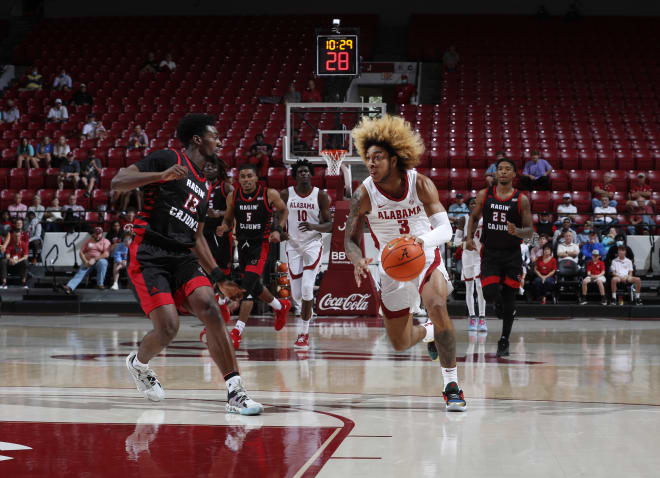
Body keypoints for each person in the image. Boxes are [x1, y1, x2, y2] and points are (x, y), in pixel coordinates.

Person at [110, 113, 261, 415]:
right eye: (214, 136)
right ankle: (138, 364)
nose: (219, 142)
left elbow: (197, 237)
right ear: (197, 139)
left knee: (211, 310)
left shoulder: (204, 184)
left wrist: (218, 277)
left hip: (183, 256)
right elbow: (119, 181)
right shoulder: (168, 157)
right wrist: (159, 176)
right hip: (150, 253)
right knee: (168, 328)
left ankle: (235, 391)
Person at [347, 115, 466, 411]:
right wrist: (356, 258)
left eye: (378, 157)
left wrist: (420, 242)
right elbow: (348, 238)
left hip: (424, 256)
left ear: (396, 159)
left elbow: (446, 230)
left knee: (438, 305)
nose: (371, 163)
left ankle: (451, 385)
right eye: (369, 158)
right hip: (391, 268)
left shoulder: (420, 184)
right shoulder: (363, 193)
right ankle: (428, 332)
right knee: (400, 343)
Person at [217, 163, 291, 350]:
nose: (246, 179)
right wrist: (224, 227)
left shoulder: (269, 194)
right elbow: (228, 218)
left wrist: (277, 229)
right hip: (242, 245)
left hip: (261, 245)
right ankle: (280, 306)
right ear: (238, 179)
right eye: (242, 176)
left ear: (256, 178)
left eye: (250, 176)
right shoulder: (233, 197)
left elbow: (284, 211)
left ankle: (236, 331)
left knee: (248, 284)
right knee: (256, 286)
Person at [467, 157, 534, 357]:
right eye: (500, 169)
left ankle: (504, 340)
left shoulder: (521, 199)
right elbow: (473, 217)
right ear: (496, 173)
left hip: (512, 255)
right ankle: (498, 303)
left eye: (507, 169)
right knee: (489, 293)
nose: (503, 172)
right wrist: (469, 237)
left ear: (514, 174)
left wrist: (518, 232)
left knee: (510, 300)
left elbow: (530, 232)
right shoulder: (484, 195)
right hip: (491, 253)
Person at [280, 159, 333, 349]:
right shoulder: (286, 194)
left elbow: (330, 224)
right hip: (293, 245)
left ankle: (304, 333)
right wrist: (279, 231)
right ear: (295, 175)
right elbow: (276, 220)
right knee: (297, 294)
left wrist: (313, 226)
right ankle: (307, 308)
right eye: (300, 171)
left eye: (306, 171)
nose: (303, 174)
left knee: (307, 288)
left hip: (312, 243)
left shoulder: (321, 195)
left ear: (311, 174)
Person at [200, 158, 234, 323]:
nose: (209, 169)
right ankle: (212, 304)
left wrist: (219, 214)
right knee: (205, 269)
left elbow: (238, 206)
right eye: (207, 166)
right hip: (202, 232)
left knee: (222, 270)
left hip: (221, 232)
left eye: (212, 166)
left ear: (218, 169)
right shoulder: (198, 185)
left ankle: (222, 301)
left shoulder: (226, 187)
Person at [454, 197, 486, 332]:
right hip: (467, 256)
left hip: (480, 256)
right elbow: (455, 241)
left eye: (476, 203)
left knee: (480, 286)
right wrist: (464, 243)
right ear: (468, 206)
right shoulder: (463, 219)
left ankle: (482, 318)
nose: (474, 205)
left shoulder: (485, 220)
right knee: (469, 287)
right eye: (472, 203)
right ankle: (472, 317)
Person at [59, 227, 110, 292]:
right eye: (96, 233)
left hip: (99, 260)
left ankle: (100, 284)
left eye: (99, 234)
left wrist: (94, 259)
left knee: (103, 262)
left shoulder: (105, 241)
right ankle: (69, 287)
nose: (97, 235)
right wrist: (85, 262)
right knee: (81, 271)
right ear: (94, 234)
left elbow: (106, 254)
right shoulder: (89, 241)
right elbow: (81, 252)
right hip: (88, 261)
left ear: (101, 234)